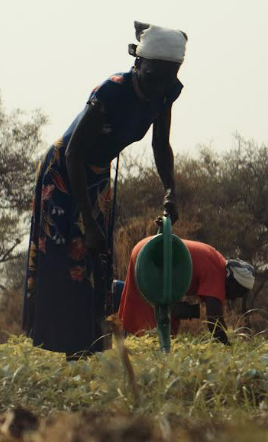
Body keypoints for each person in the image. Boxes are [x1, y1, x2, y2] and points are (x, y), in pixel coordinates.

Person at [23, 21, 187, 357]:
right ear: (138, 64)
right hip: (63, 173)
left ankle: (88, 346)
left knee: (95, 260)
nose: (161, 84)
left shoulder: (166, 91)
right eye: (155, 75)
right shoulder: (111, 92)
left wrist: (170, 189)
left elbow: (160, 145)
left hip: (96, 178)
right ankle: (61, 347)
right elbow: (73, 153)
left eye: (169, 76)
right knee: (64, 255)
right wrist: (87, 219)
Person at [116, 233, 253, 344]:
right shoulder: (218, 273)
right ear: (232, 280)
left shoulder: (216, 260)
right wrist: (228, 348)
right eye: (237, 293)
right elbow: (214, 322)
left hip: (149, 248)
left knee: (164, 320)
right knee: (152, 331)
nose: (233, 298)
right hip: (150, 255)